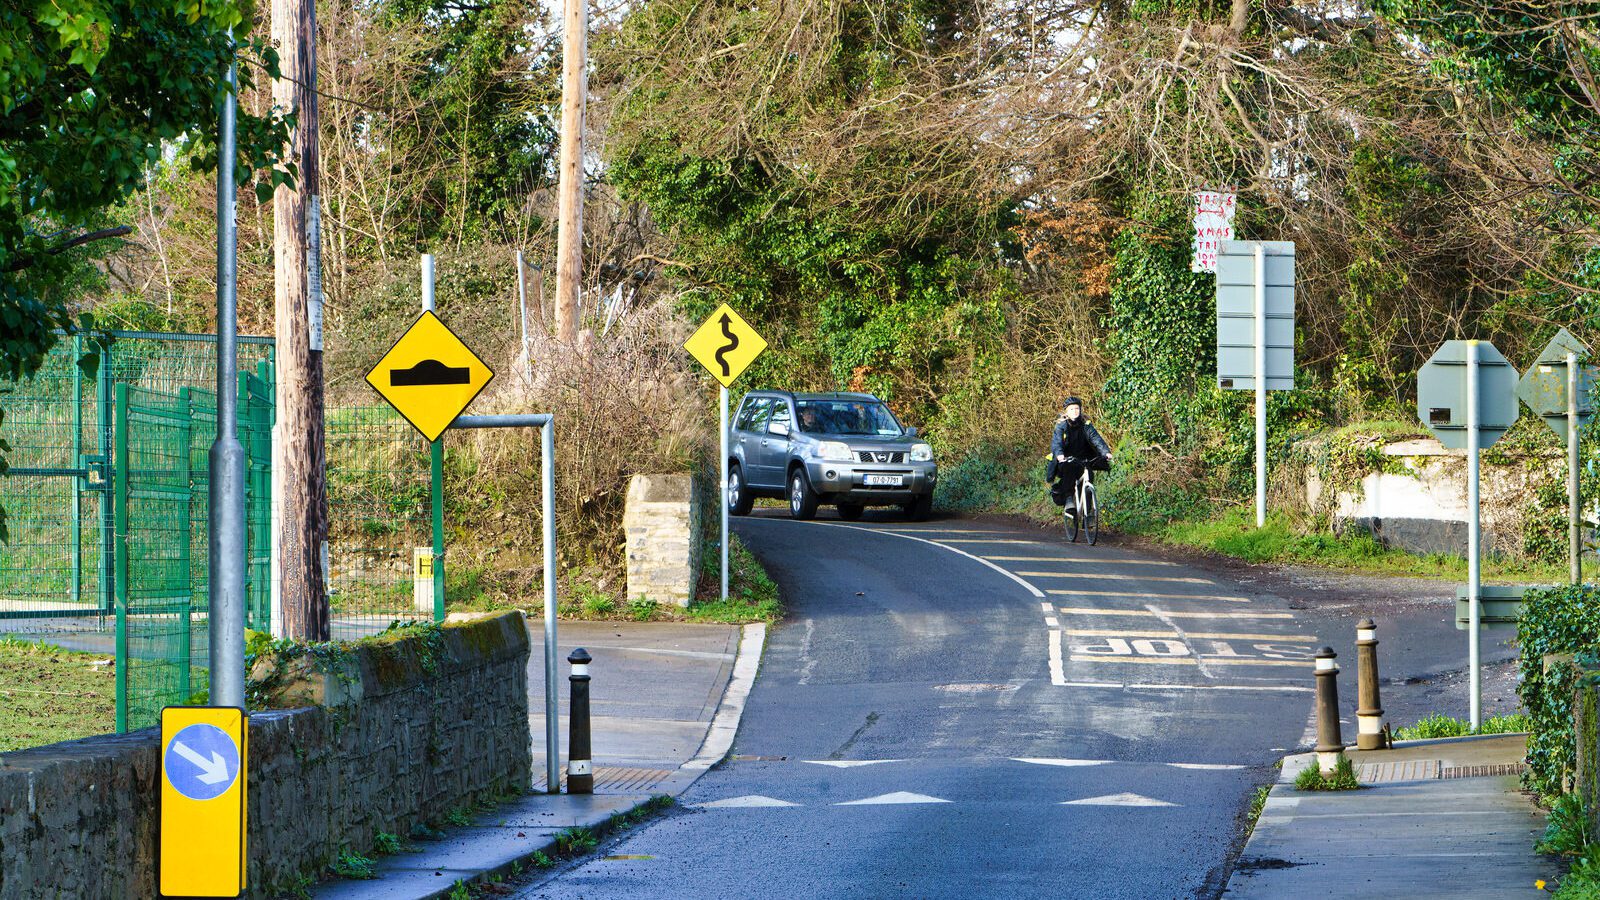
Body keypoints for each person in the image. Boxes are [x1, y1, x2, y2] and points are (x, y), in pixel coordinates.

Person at [1050, 396, 1112, 514]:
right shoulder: (1061, 427)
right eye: (1072, 409)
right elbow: (1057, 443)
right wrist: (1060, 455)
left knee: (1089, 477)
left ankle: (1087, 515)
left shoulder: (1086, 425)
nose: (1075, 411)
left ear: (1080, 410)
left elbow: (1096, 439)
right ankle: (1069, 500)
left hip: (1084, 459)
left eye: (1077, 409)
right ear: (1067, 412)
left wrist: (1106, 452)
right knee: (1069, 471)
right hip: (1066, 460)